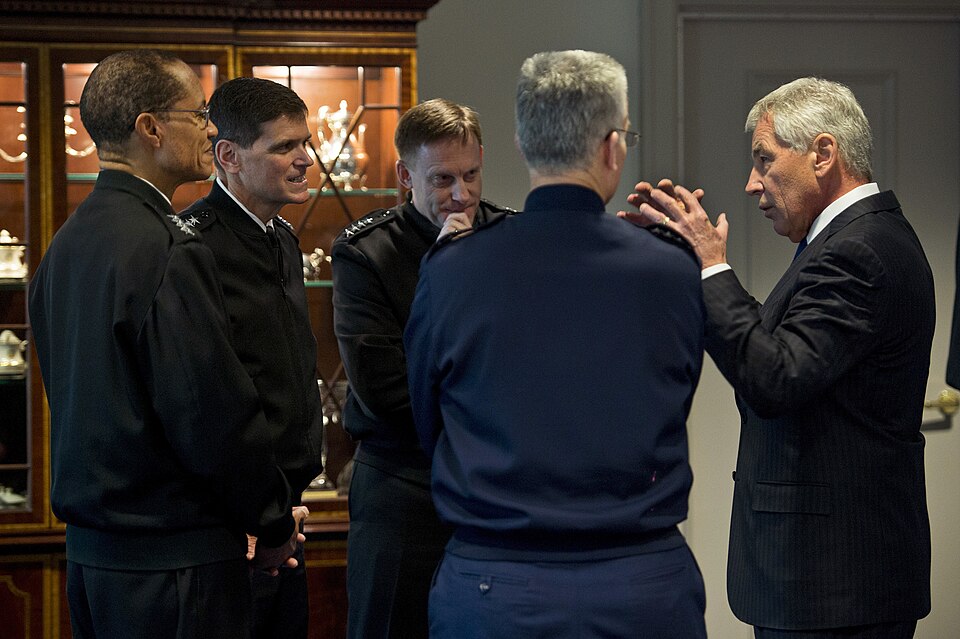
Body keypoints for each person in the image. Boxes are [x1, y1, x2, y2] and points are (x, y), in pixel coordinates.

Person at [404, 50, 707, 639]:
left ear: (520, 143)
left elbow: (428, 420)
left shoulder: (451, 271)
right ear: (613, 147)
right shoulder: (670, 270)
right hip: (637, 582)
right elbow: (676, 397)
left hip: (494, 584)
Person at [627, 77, 933, 638]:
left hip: (834, 586)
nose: (751, 184)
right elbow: (776, 351)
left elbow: (774, 378)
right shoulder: (849, 242)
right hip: (829, 584)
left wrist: (713, 266)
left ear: (822, 154)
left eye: (764, 160)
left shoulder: (859, 249)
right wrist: (693, 263)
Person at [28, 50, 307, 639]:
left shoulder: (67, 244)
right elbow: (212, 415)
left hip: (95, 562)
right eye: (198, 113)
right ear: (150, 128)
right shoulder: (166, 248)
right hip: (174, 567)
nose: (210, 127)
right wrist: (273, 521)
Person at [330, 97, 513, 639]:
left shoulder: (510, 237)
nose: (462, 194)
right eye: (442, 180)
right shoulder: (365, 253)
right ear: (405, 176)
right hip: (402, 489)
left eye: (472, 174)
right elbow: (386, 392)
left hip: (493, 486)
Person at [179, 76, 324, 639]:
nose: (305, 160)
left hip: (288, 514)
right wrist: (256, 517)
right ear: (229, 156)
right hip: (229, 525)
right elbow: (207, 402)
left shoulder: (283, 238)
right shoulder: (194, 246)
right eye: (285, 146)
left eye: (305, 144)